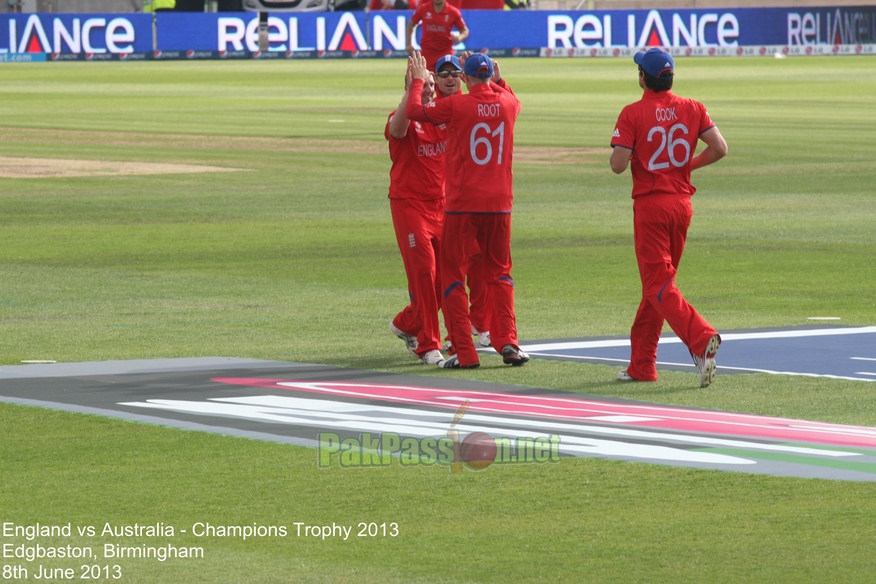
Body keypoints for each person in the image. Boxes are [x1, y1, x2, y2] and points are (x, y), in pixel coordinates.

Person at [609, 48, 728, 388]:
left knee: (658, 286)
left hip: (651, 207)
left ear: (643, 77)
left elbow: (618, 166)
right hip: (681, 205)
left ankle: (701, 337)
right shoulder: (693, 108)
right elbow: (719, 148)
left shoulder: (633, 113)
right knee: (658, 287)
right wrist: (686, 166)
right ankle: (642, 365)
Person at [406, 51, 527, 369]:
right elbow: (512, 99)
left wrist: (419, 80)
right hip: (501, 205)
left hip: (463, 206)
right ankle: (509, 342)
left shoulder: (456, 105)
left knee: (452, 277)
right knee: (500, 274)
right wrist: (500, 83)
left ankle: (465, 351)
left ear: (465, 77)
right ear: (490, 76)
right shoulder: (508, 104)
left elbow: (416, 111)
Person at [386, 60, 447, 366]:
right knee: (423, 272)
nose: (429, 91)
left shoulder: (442, 117)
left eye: (431, 87)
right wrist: (414, 88)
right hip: (410, 205)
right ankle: (428, 345)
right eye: (425, 86)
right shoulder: (401, 118)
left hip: (442, 206)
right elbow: (398, 129)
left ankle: (407, 323)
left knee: (444, 279)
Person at [433, 54, 493, 351]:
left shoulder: (472, 107)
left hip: (467, 200)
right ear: (435, 78)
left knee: (479, 261)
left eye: (456, 73)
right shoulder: (434, 109)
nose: (450, 78)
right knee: (445, 272)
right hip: (439, 203)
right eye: (443, 73)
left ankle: (481, 324)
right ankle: (436, 330)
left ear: (464, 78)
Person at [405, 0, 469, 73]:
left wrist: (459, 38)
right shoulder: (423, 9)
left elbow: (465, 31)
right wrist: (408, 43)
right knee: (427, 81)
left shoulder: (453, 11)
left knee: (446, 80)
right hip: (427, 53)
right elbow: (411, 23)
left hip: (445, 52)